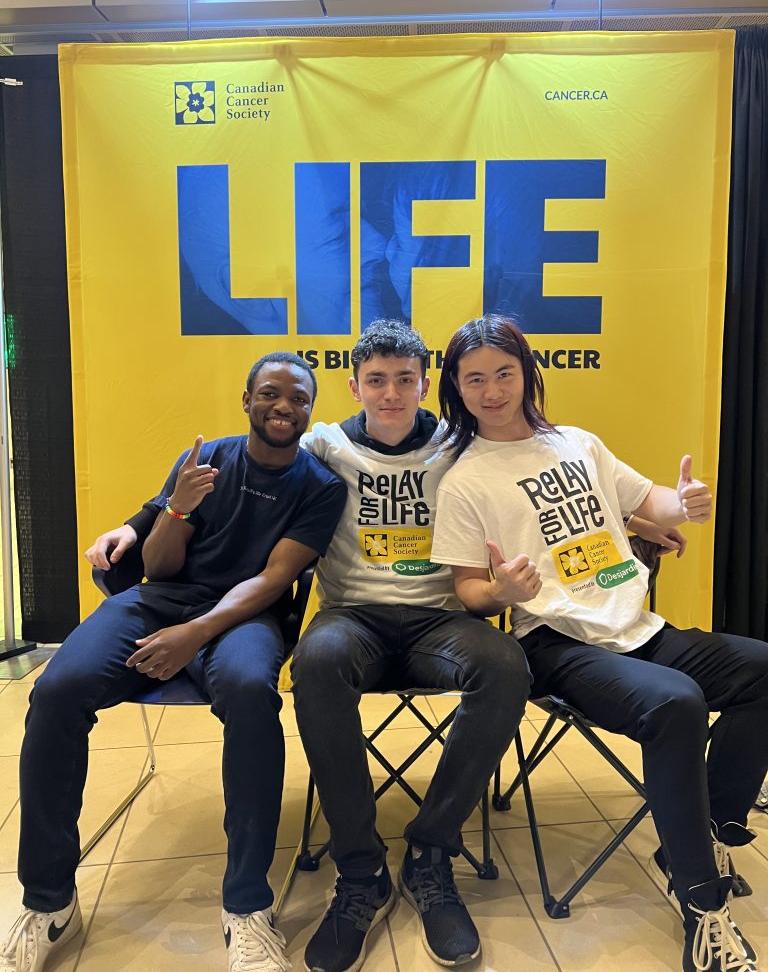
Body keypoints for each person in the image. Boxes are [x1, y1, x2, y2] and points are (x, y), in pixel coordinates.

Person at [430, 314, 768, 972]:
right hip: (556, 643)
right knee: (676, 705)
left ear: (528, 372)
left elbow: (654, 501)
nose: (493, 389)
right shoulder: (463, 479)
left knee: (763, 670)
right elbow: (468, 588)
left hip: (637, 627)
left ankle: (703, 830)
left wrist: (685, 502)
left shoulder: (578, 444)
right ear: (457, 389)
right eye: (475, 380)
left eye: (504, 372)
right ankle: (704, 905)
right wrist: (502, 592)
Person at [0, 352, 347, 972]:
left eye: (298, 399)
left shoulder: (321, 487)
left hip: (245, 616)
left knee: (248, 692)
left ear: (309, 413)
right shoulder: (205, 459)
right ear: (247, 401)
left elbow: (274, 579)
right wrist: (178, 508)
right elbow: (158, 567)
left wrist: (195, 634)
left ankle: (247, 907)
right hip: (157, 601)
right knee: (55, 693)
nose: (283, 407)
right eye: (270, 394)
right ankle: (48, 902)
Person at [289, 320, 531, 972]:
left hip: (439, 622)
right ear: (355, 385)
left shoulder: (463, 444)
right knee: (313, 662)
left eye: (404, 380)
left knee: (505, 665)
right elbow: (245, 464)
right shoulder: (323, 445)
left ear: (427, 383)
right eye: (376, 381)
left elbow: (545, 475)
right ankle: (361, 871)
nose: (391, 394)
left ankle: (430, 852)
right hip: (354, 618)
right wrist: (155, 515)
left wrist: (644, 515)